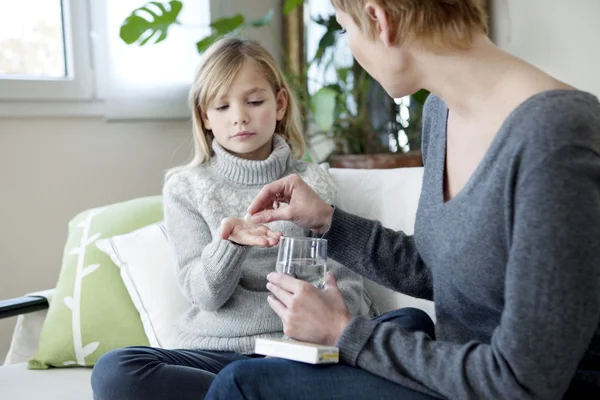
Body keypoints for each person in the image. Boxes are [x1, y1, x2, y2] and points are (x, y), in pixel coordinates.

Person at [203, 1, 600, 399]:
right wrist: (328, 222)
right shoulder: (441, 112)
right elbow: (452, 274)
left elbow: (522, 384)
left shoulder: (557, 136)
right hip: (450, 378)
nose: (352, 48)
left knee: (240, 385)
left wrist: (345, 333)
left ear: (380, 19)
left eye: (346, 30)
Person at [90, 37, 365, 400]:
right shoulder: (185, 187)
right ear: (204, 116)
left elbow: (346, 282)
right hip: (215, 354)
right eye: (221, 106)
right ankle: (249, 392)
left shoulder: (311, 182)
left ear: (280, 104)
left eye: (254, 101)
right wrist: (230, 244)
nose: (239, 116)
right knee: (116, 372)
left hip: (294, 354)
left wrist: (327, 330)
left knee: (410, 325)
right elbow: (205, 295)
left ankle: (247, 392)